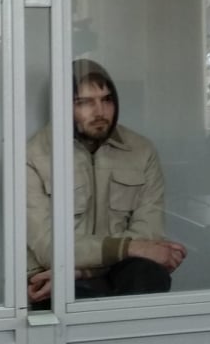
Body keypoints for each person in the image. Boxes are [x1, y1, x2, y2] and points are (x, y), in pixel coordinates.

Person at [26, 59, 186, 306]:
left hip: (115, 273)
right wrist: (131, 249)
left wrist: (84, 271)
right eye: (84, 102)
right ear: (60, 105)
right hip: (54, 277)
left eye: (107, 99)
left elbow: (149, 233)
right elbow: (48, 248)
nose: (100, 112)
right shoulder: (32, 156)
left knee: (149, 274)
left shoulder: (141, 151)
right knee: (68, 297)